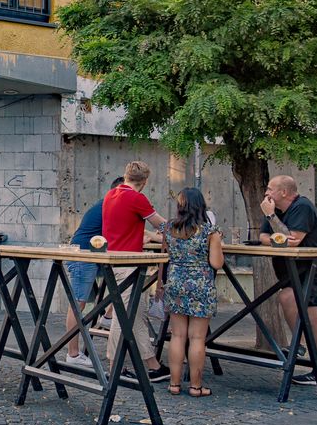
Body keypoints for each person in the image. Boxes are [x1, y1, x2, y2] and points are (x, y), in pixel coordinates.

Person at [259, 175, 317, 386]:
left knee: (288, 298)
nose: (266, 193)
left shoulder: (301, 207)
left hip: (316, 268)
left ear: (283, 192)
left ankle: (300, 343)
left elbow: (292, 241)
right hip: (295, 269)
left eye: (270, 189)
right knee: (312, 318)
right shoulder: (273, 209)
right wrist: (277, 234)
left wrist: (271, 218)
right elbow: (264, 237)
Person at [103, 161, 171, 382]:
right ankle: (115, 367)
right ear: (144, 182)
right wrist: (187, 229)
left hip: (113, 260)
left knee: (135, 314)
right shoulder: (136, 198)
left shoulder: (111, 194)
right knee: (123, 317)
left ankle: (153, 365)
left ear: (125, 175)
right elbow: (161, 225)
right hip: (130, 263)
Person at [161, 188, 224, 397]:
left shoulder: (168, 228)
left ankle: (174, 384)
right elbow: (216, 263)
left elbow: (168, 256)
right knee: (197, 338)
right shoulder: (210, 231)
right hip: (201, 285)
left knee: (177, 335)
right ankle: (196, 387)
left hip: (175, 282)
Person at [64, 177, 124, 365]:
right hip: (83, 256)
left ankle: (107, 316)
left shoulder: (106, 205)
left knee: (125, 278)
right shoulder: (109, 206)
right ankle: (72, 354)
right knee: (78, 304)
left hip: (90, 256)